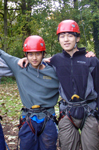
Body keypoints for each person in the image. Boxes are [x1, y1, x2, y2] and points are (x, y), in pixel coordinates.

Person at [19, 20, 99, 150]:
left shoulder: (91, 60)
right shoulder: (55, 60)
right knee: (68, 146)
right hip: (67, 112)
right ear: (59, 39)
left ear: (77, 38)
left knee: (91, 146)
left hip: (89, 111)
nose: (66, 40)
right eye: (62, 36)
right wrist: (24, 59)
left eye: (70, 35)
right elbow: (37, 61)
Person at [0, 35, 59, 150]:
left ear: (43, 54)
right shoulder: (20, 67)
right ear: (25, 55)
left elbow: (71, 64)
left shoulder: (54, 71)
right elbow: (0, 53)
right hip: (29, 118)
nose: (34, 58)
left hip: (48, 118)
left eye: (38, 54)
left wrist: (87, 56)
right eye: (30, 54)